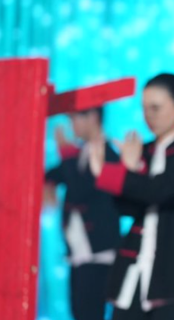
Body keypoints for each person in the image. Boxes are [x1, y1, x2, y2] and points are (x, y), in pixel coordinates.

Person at [89, 73, 174, 320]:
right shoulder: (143, 150)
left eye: (156, 108)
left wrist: (120, 173)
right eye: (145, 108)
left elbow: (159, 191)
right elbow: (126, 207)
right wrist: (127, 169)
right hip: (134, 273)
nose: (149, 116)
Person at [44, 107, 120, 320]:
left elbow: (82, 190)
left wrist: (67, 153)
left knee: (89, 313)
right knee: (79, 312)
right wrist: (49, 185)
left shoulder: (108, 154)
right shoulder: (80, 153)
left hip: (99, 254)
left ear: (93, 117)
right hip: (79, 253)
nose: (72, 126)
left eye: (75, 119)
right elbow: (54, 174)